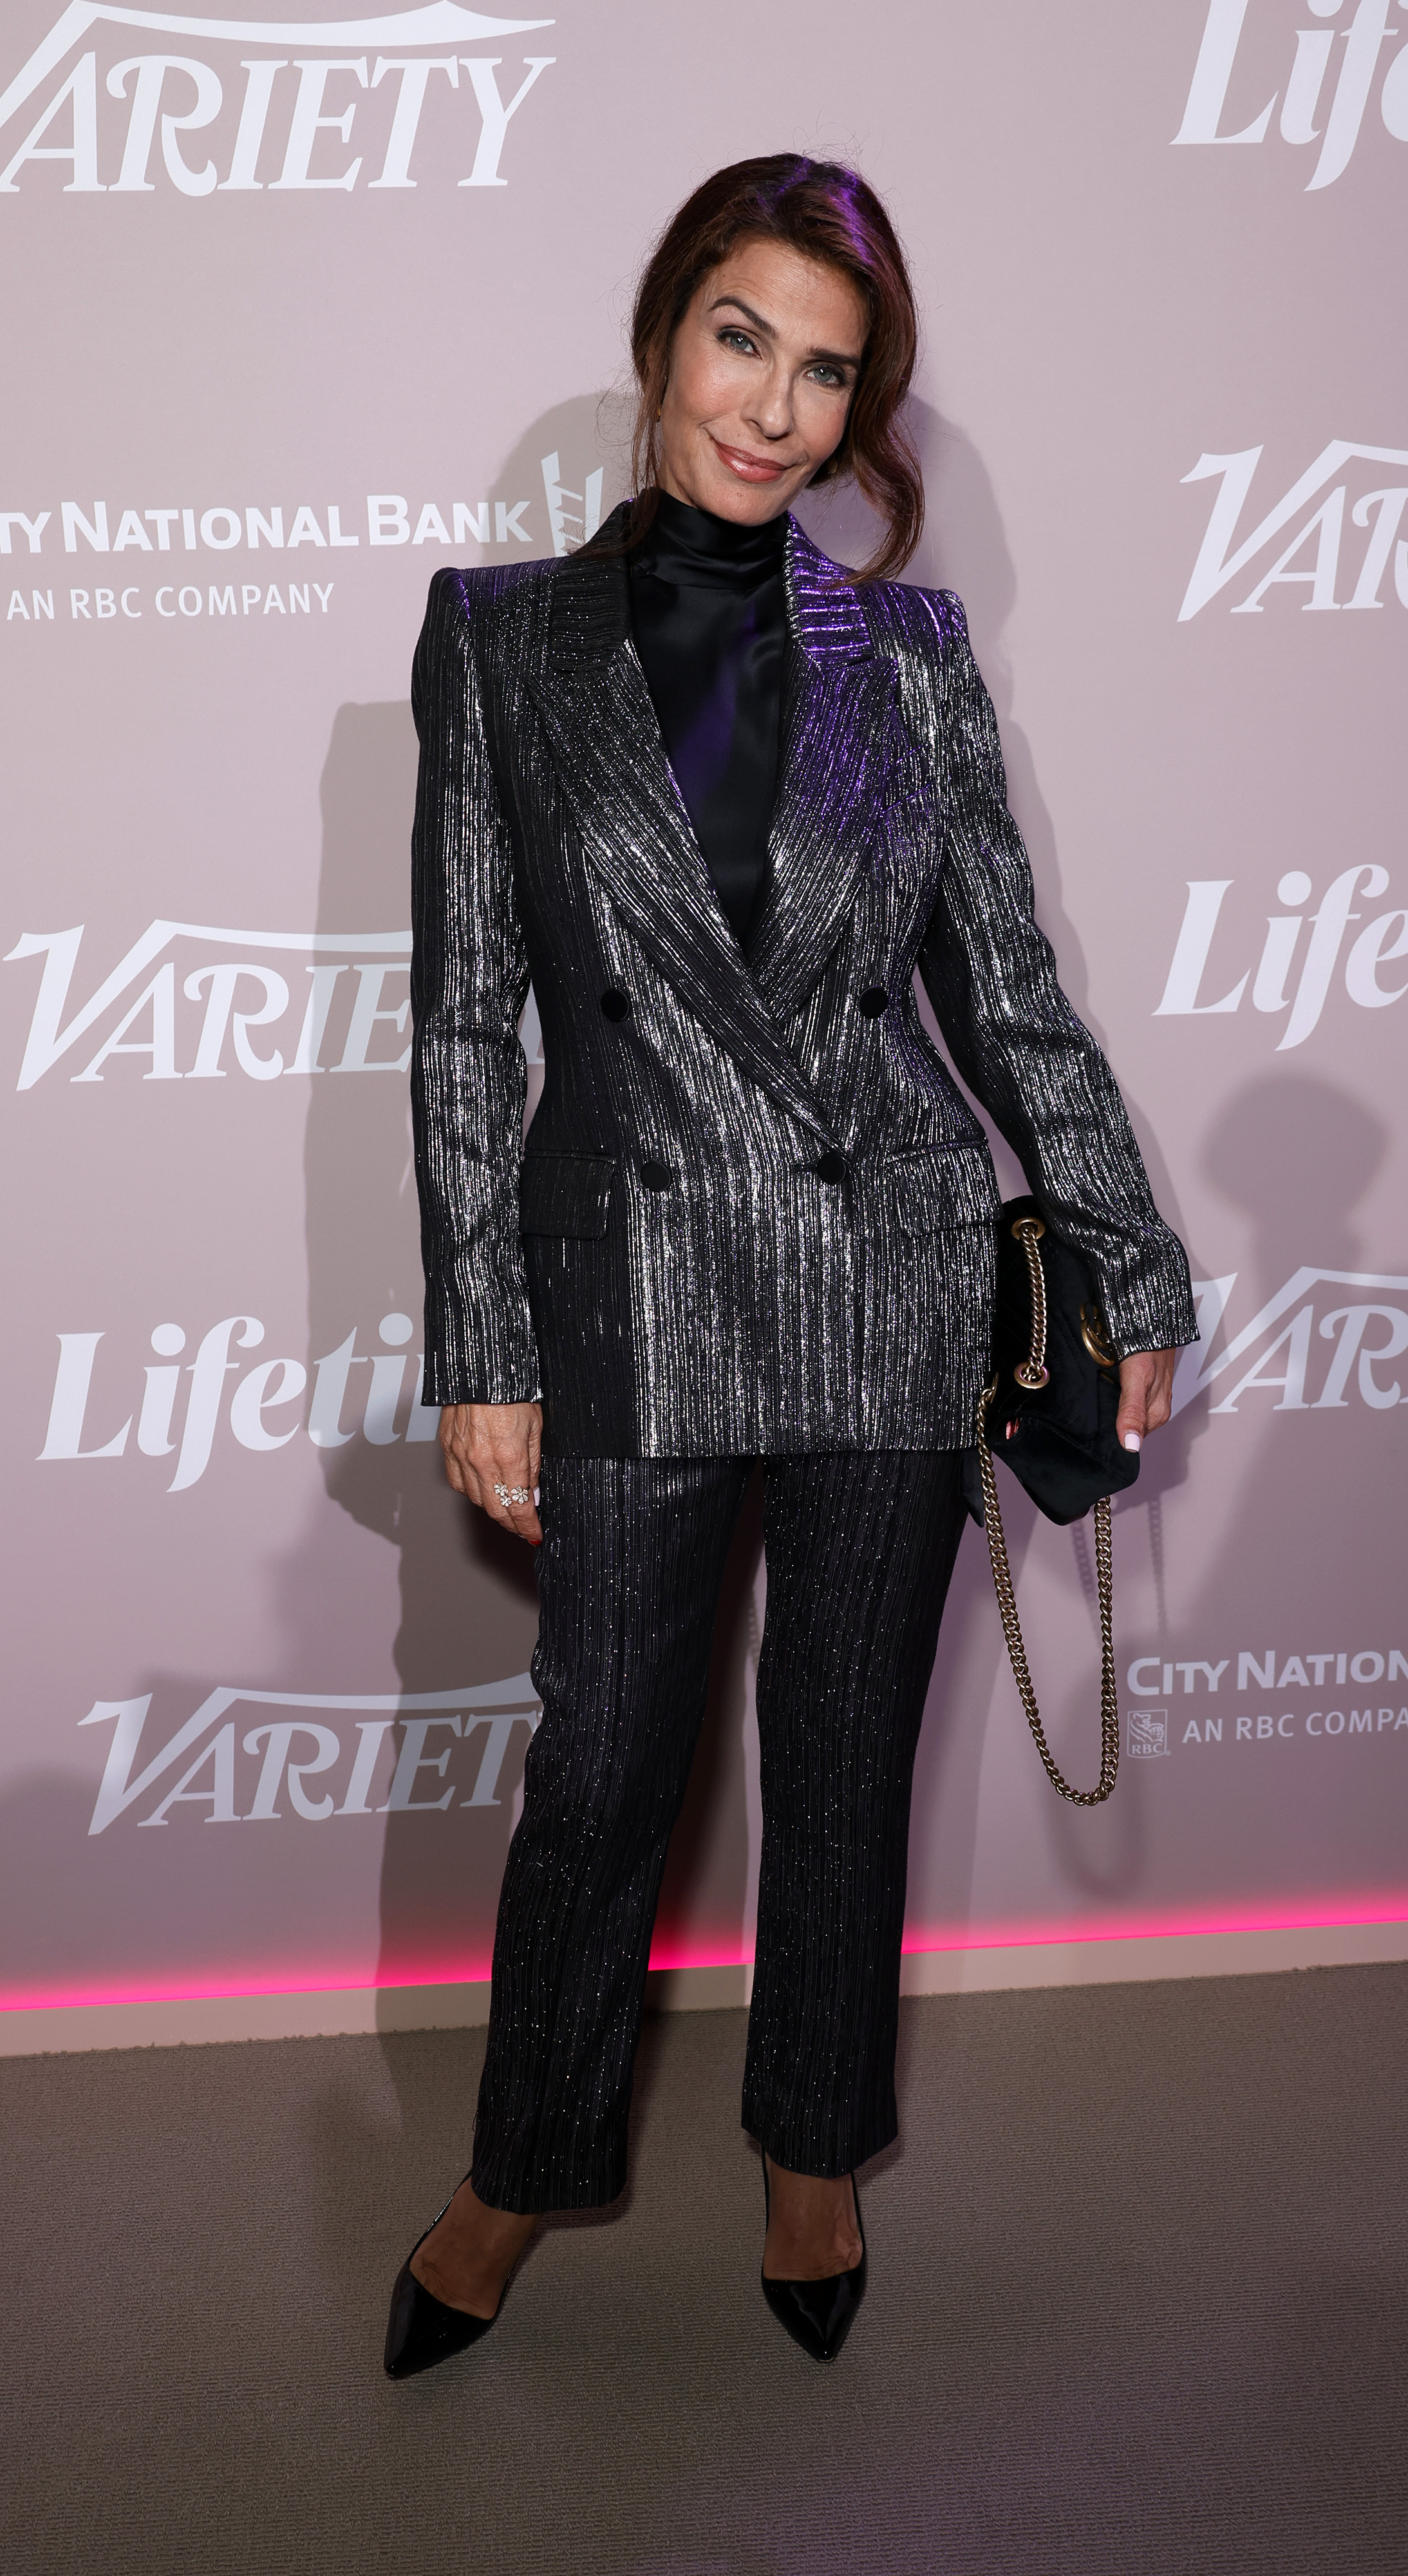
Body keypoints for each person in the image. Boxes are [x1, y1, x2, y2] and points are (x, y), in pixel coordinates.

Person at [384, 154, 1194, 2378]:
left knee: (841, 1756)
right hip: (627, 1278)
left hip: (886, 1270)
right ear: (663, 333)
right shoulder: (496, 637)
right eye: (743, 337)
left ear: (858, 413)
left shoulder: (907, 654)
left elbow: (1009, 993)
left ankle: (813, 2148)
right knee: (604, 1776)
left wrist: (1120, 1258)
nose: (773, 406)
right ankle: (517, 2164)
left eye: (825, 372)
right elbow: (467, 1014)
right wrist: (481, 1333)